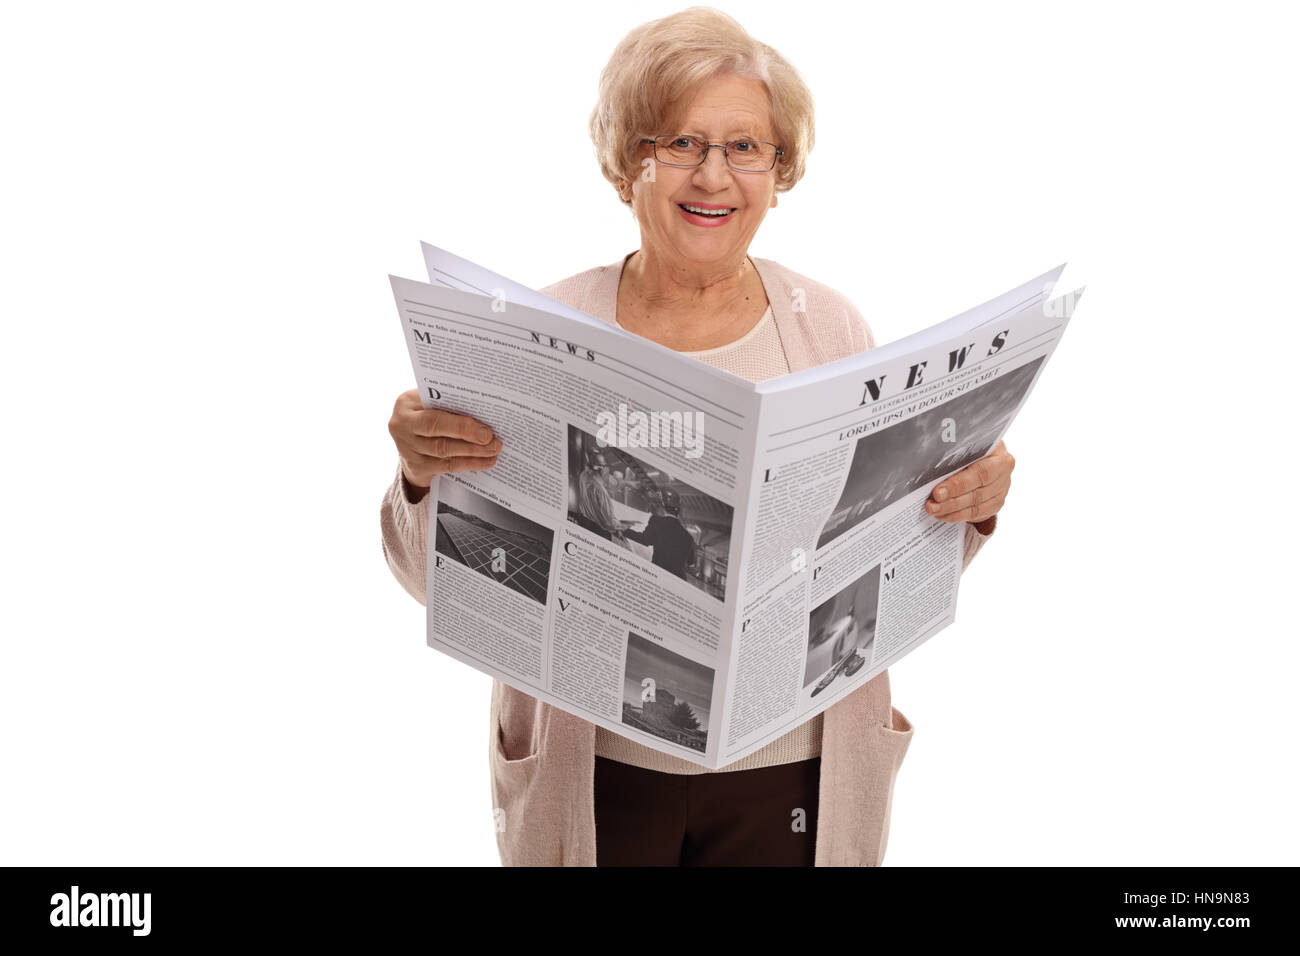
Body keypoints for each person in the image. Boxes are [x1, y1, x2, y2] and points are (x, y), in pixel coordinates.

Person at [381, 7, 1014, 867]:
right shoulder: (541, 328)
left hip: (792, 782)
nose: (713, 175)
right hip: (601, 779)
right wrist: (420, 477)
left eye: (746, 147)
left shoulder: (831, 330)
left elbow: (882, 570)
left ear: (778, 169)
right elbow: (441, 583)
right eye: (678, 142)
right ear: (625, 163)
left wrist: (964, 502)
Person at [622, 487, 696, 579]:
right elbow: (691, 563)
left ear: (662, 505)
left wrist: (623, 529)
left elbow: (644, 539)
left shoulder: (657, 522)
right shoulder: (689, 538)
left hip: (658, 576)